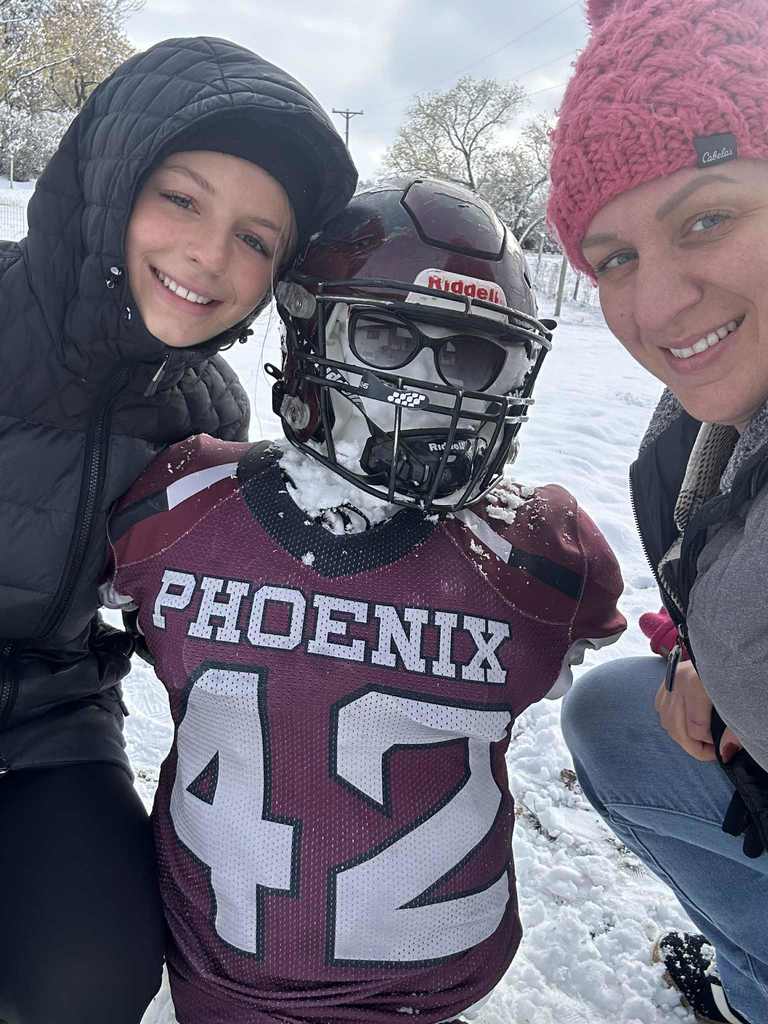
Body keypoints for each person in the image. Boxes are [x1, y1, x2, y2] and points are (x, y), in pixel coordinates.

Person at [103, 176, 626, 1024]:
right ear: (309, 329)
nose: (419, 391)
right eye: (383, 334)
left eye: (464, 354)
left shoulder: (539, 551)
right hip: (225, 977)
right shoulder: (538, 552)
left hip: (419, 987)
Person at [0, 34, 356, 1024]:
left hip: (48, 722)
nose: (208, 255)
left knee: (91, 981)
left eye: (257, 238)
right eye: (184, 199)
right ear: (112, 183)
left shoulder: (206, 409)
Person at [547, 1, 768, 1021]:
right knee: (611, 710)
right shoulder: (712, 425)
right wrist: (703, 661)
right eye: (615, 257)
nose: (658, 303)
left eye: (708, 216)